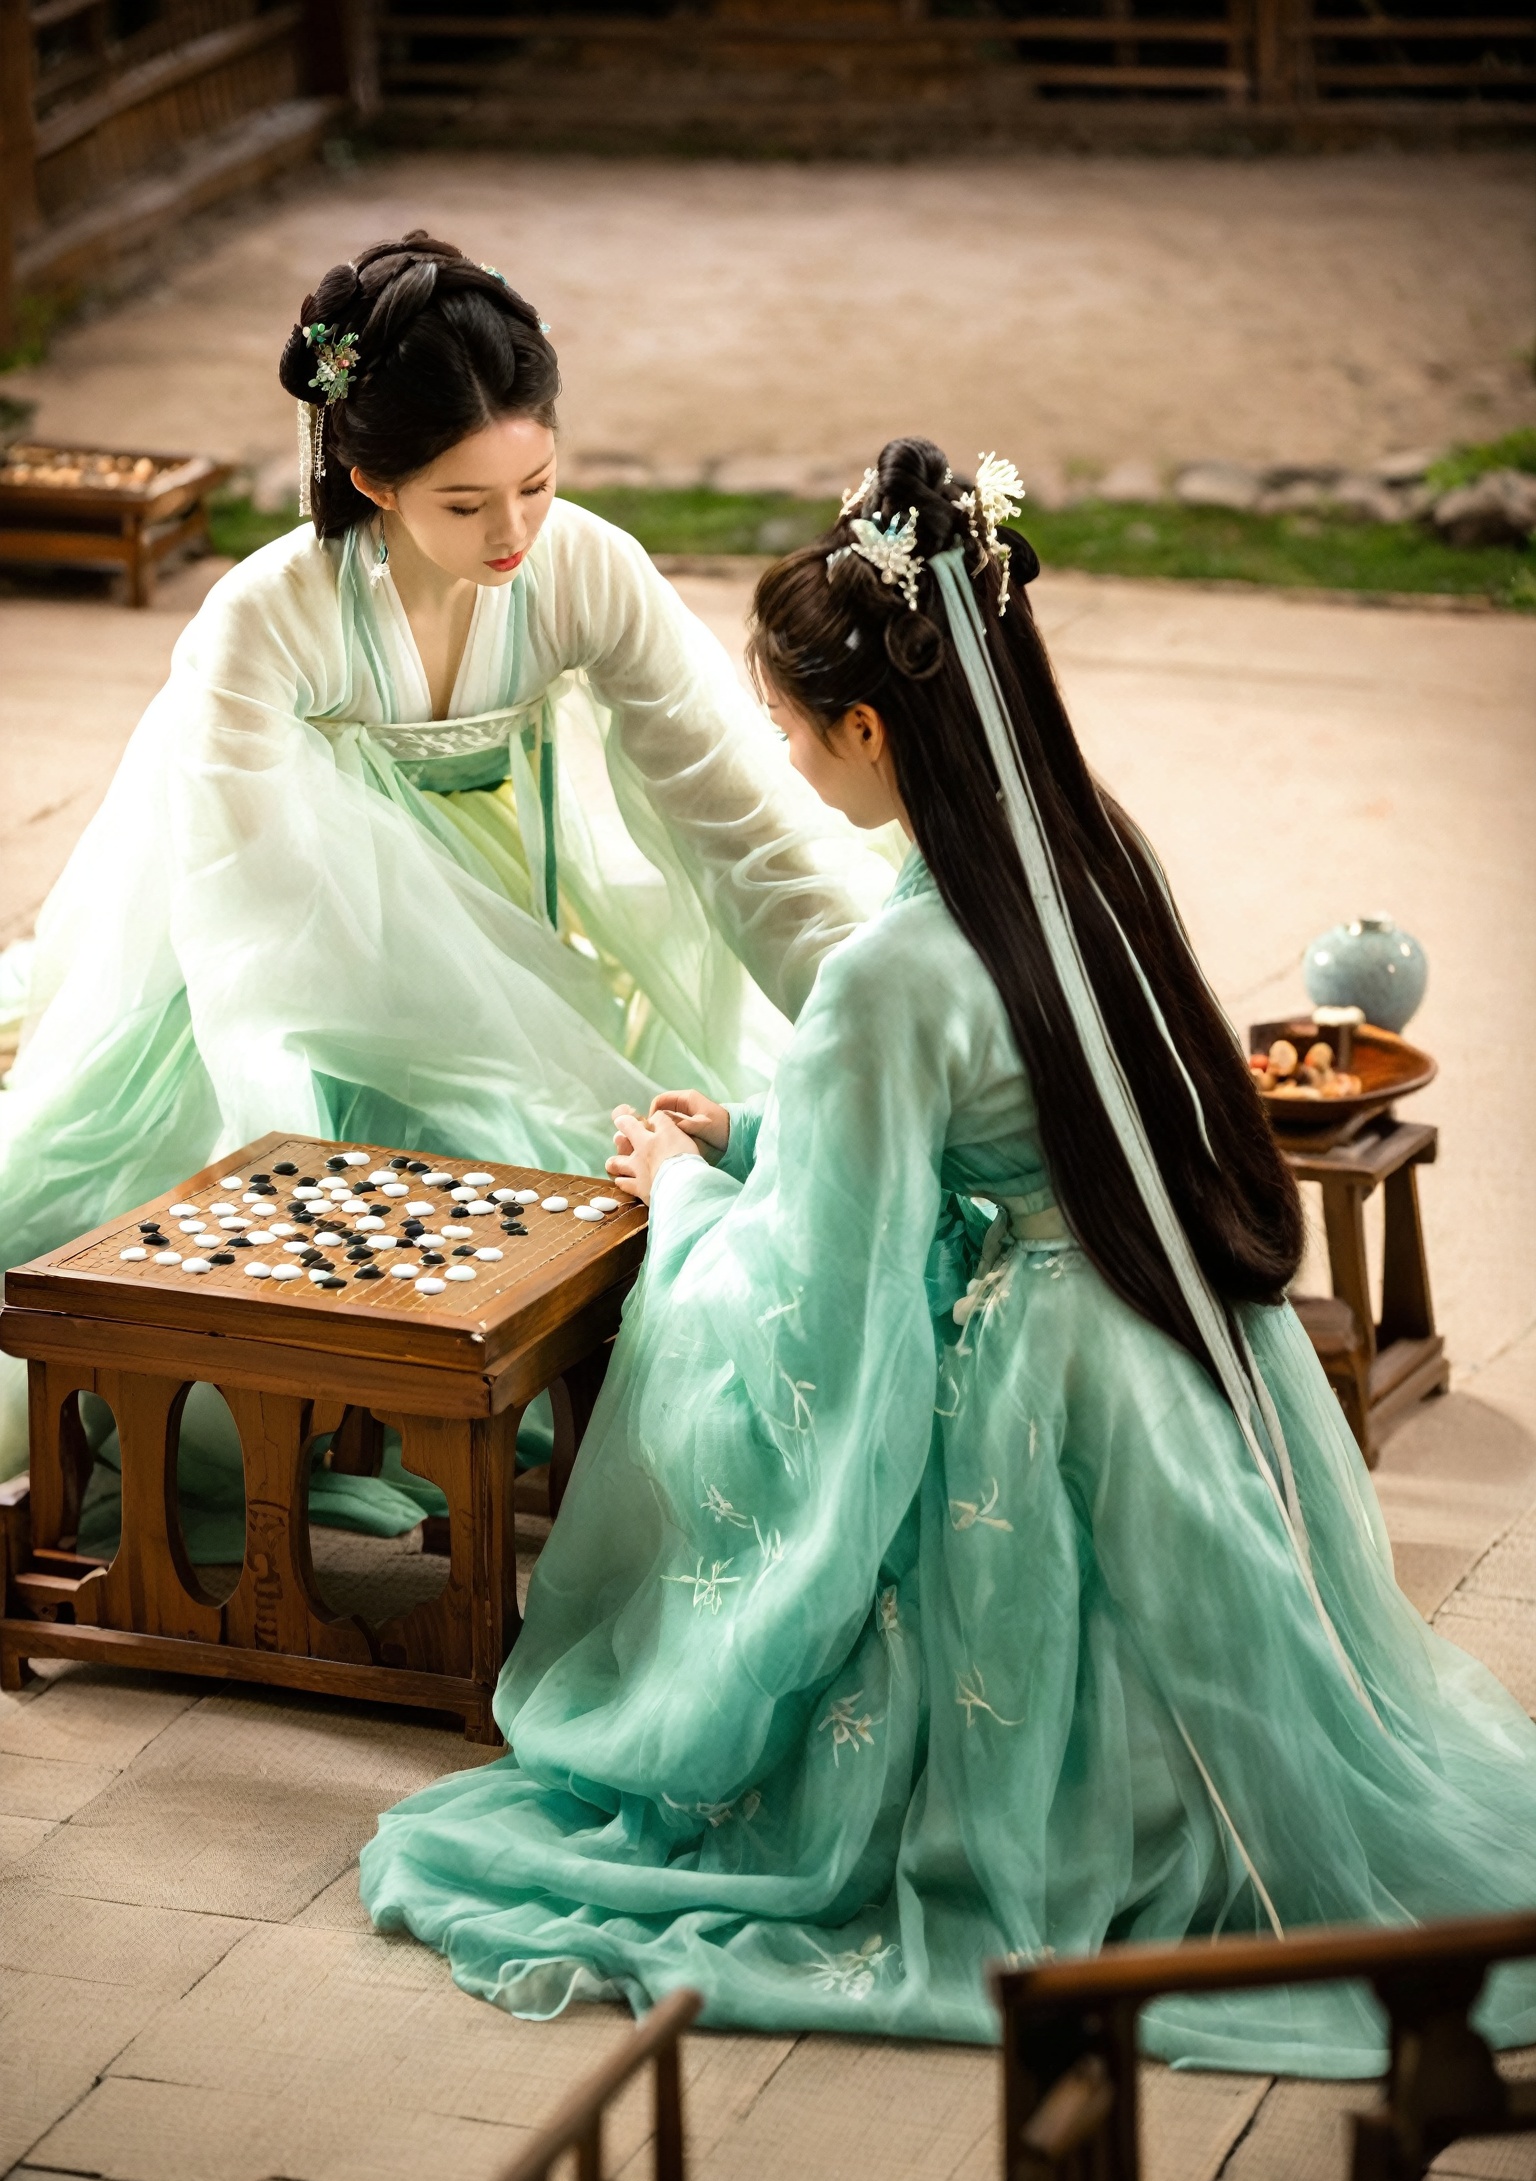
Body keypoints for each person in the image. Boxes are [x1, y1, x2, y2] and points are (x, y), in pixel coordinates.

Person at [360, 437, 1536, 2074]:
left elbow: (820, 1301)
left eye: (787, 726)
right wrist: (762, 1135)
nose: (783, 755)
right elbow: (1012, 1121)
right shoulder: (1084, 857)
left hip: (1046, 1375)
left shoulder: (894, 971)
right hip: (1186, 1339)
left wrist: (685, 1193)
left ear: (866, 727)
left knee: (900, 1667)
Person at [0, 231, 869, 1528]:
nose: (515, 531)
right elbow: (251, 931)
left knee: (633, 1163)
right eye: (466, 505)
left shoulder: (586, 569)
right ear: (369, 481)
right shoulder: (268, 618)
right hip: (290, 968)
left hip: (512, 954)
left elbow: (735, 827)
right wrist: (295, 1181)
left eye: (538, 482)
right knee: (154, 1217)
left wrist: (874, 999)